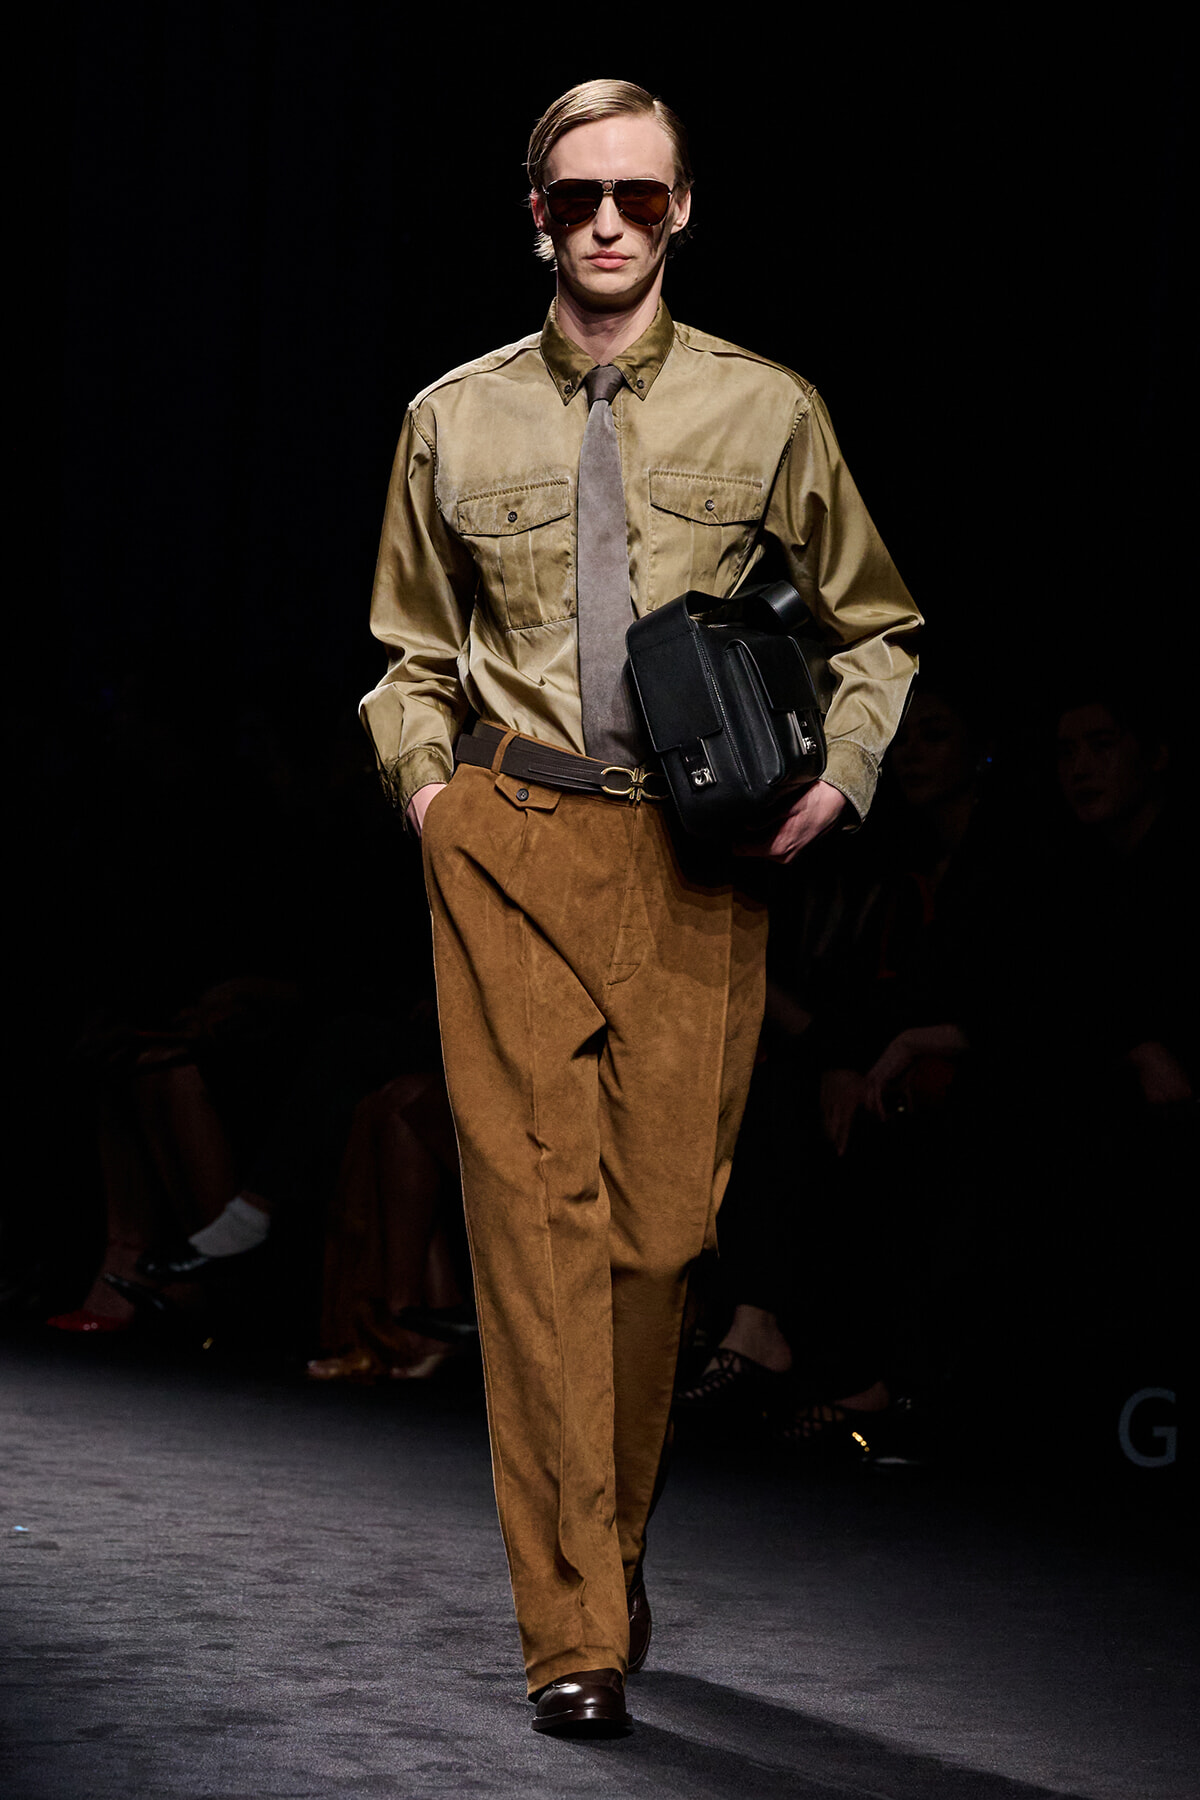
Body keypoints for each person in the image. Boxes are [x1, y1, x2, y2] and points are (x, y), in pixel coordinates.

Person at [360, 78, 921, 1737]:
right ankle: (573, 1634)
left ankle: (603, 1559)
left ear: (683, 212)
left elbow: (876, 625)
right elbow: (407, 654)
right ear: (535, 214)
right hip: (511, 834)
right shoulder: (452, 418)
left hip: (698, 860)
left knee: (661, 1242)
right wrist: (434, 799)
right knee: (534, 1232)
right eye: (578, 196)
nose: (609, 223)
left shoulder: (768, 410)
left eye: (643, 197)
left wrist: (845, 774)